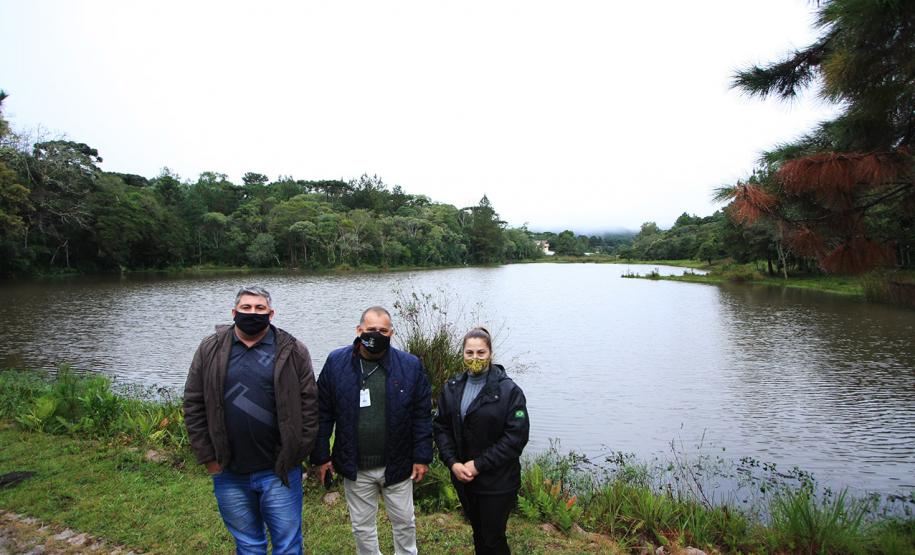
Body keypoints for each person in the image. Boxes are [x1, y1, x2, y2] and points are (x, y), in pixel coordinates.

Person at [184, 286, 318, 555]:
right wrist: (209, 458)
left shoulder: (293, 350)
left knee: (288, 545)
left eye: (260, 308)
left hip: (279, 472)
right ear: (234, 312)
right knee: (248, 545)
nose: (252, 313)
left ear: (271, 314)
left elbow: (309, 406)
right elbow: (194, 403)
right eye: (246, 308)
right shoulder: (210, 349)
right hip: (229, 470)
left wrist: (296, 454)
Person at [311, 306, 433, 555]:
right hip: (355, 465)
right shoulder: (336, 362)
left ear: (391, 333)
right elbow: (322, 413)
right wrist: (321, 457)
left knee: (405, 524)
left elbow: (422, 415)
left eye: (382, 330)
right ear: (358, 330)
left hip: (397, 464)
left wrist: (421, 457)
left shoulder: (410, 366)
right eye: (370, 330)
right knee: (362, 528)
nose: (376, 335)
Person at [433, 327, 529, 555]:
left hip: (498, 481)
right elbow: (441, 427)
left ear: (491, 354)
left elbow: (515, 438)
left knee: (492, 538)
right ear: (463, 354)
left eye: (480, 353)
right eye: (469, 353)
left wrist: (478, 465)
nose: (474, 358)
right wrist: (453, 463)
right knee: (478, 533)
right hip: (464, 479)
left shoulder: (509, 391)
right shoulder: (452, 387)